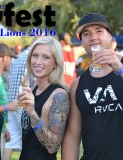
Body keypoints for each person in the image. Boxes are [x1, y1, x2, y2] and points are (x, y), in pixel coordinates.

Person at [62, 13, 123, 160]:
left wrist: (119, 68)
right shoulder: (78, 85)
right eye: (86, 34)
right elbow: (72, 137)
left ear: (110, 36)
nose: (93, 36)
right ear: (82, 42)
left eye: (99, 31)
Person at [18, 36, 70, 160]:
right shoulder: (35, 88)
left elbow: (52, 147)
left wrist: (32, 113)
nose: (38, 61)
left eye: (46, 57)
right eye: (35, 55)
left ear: (55, 63)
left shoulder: (59, 95)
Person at [4, 44, 32, 160]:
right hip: (23, 103)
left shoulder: (17, 58)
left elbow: (9, 81)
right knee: (30, 140)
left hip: (12, 103)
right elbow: (31, 81)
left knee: (10, 141)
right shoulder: (32, 58)